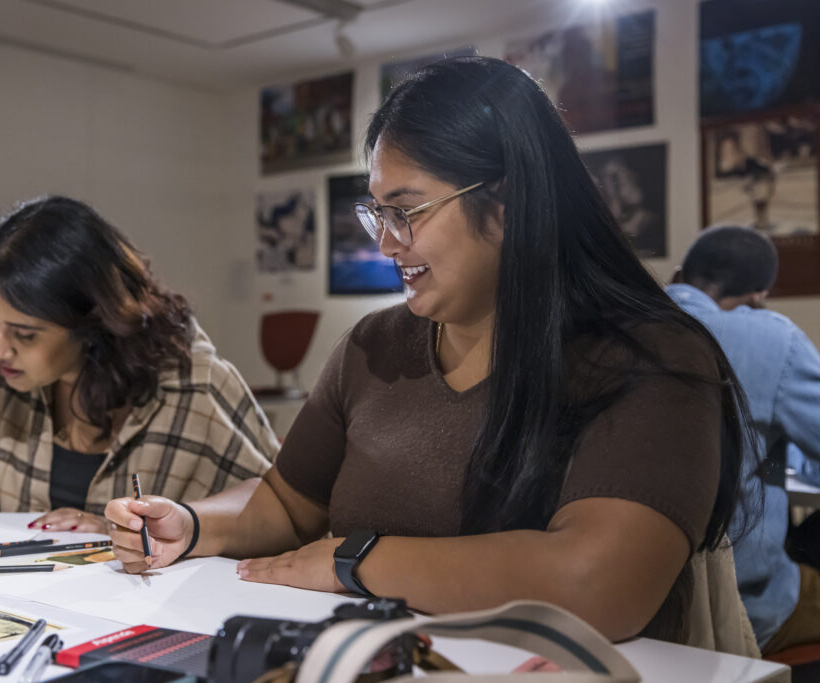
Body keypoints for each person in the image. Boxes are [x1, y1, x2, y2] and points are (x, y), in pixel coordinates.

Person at [107, 56, 751, 645]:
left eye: (406, 211)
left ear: (507, 202)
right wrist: (192, 525)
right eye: (377, 215)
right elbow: (285, 500)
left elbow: (597, 587)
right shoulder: (374, 345)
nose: (386, 245)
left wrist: (356, 560)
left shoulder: (648, 358)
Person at [0, 196, 278, 533]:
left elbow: (278, 514)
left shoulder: (194, 385)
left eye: (24, 333)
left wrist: (124, 533)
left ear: (94, 321)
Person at [668, 225, 820, 654]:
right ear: (758, 297)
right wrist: (778, 471)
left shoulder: (616, 324)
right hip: (744, 607)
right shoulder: (770, 337)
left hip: (630, 603)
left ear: (680, 274)